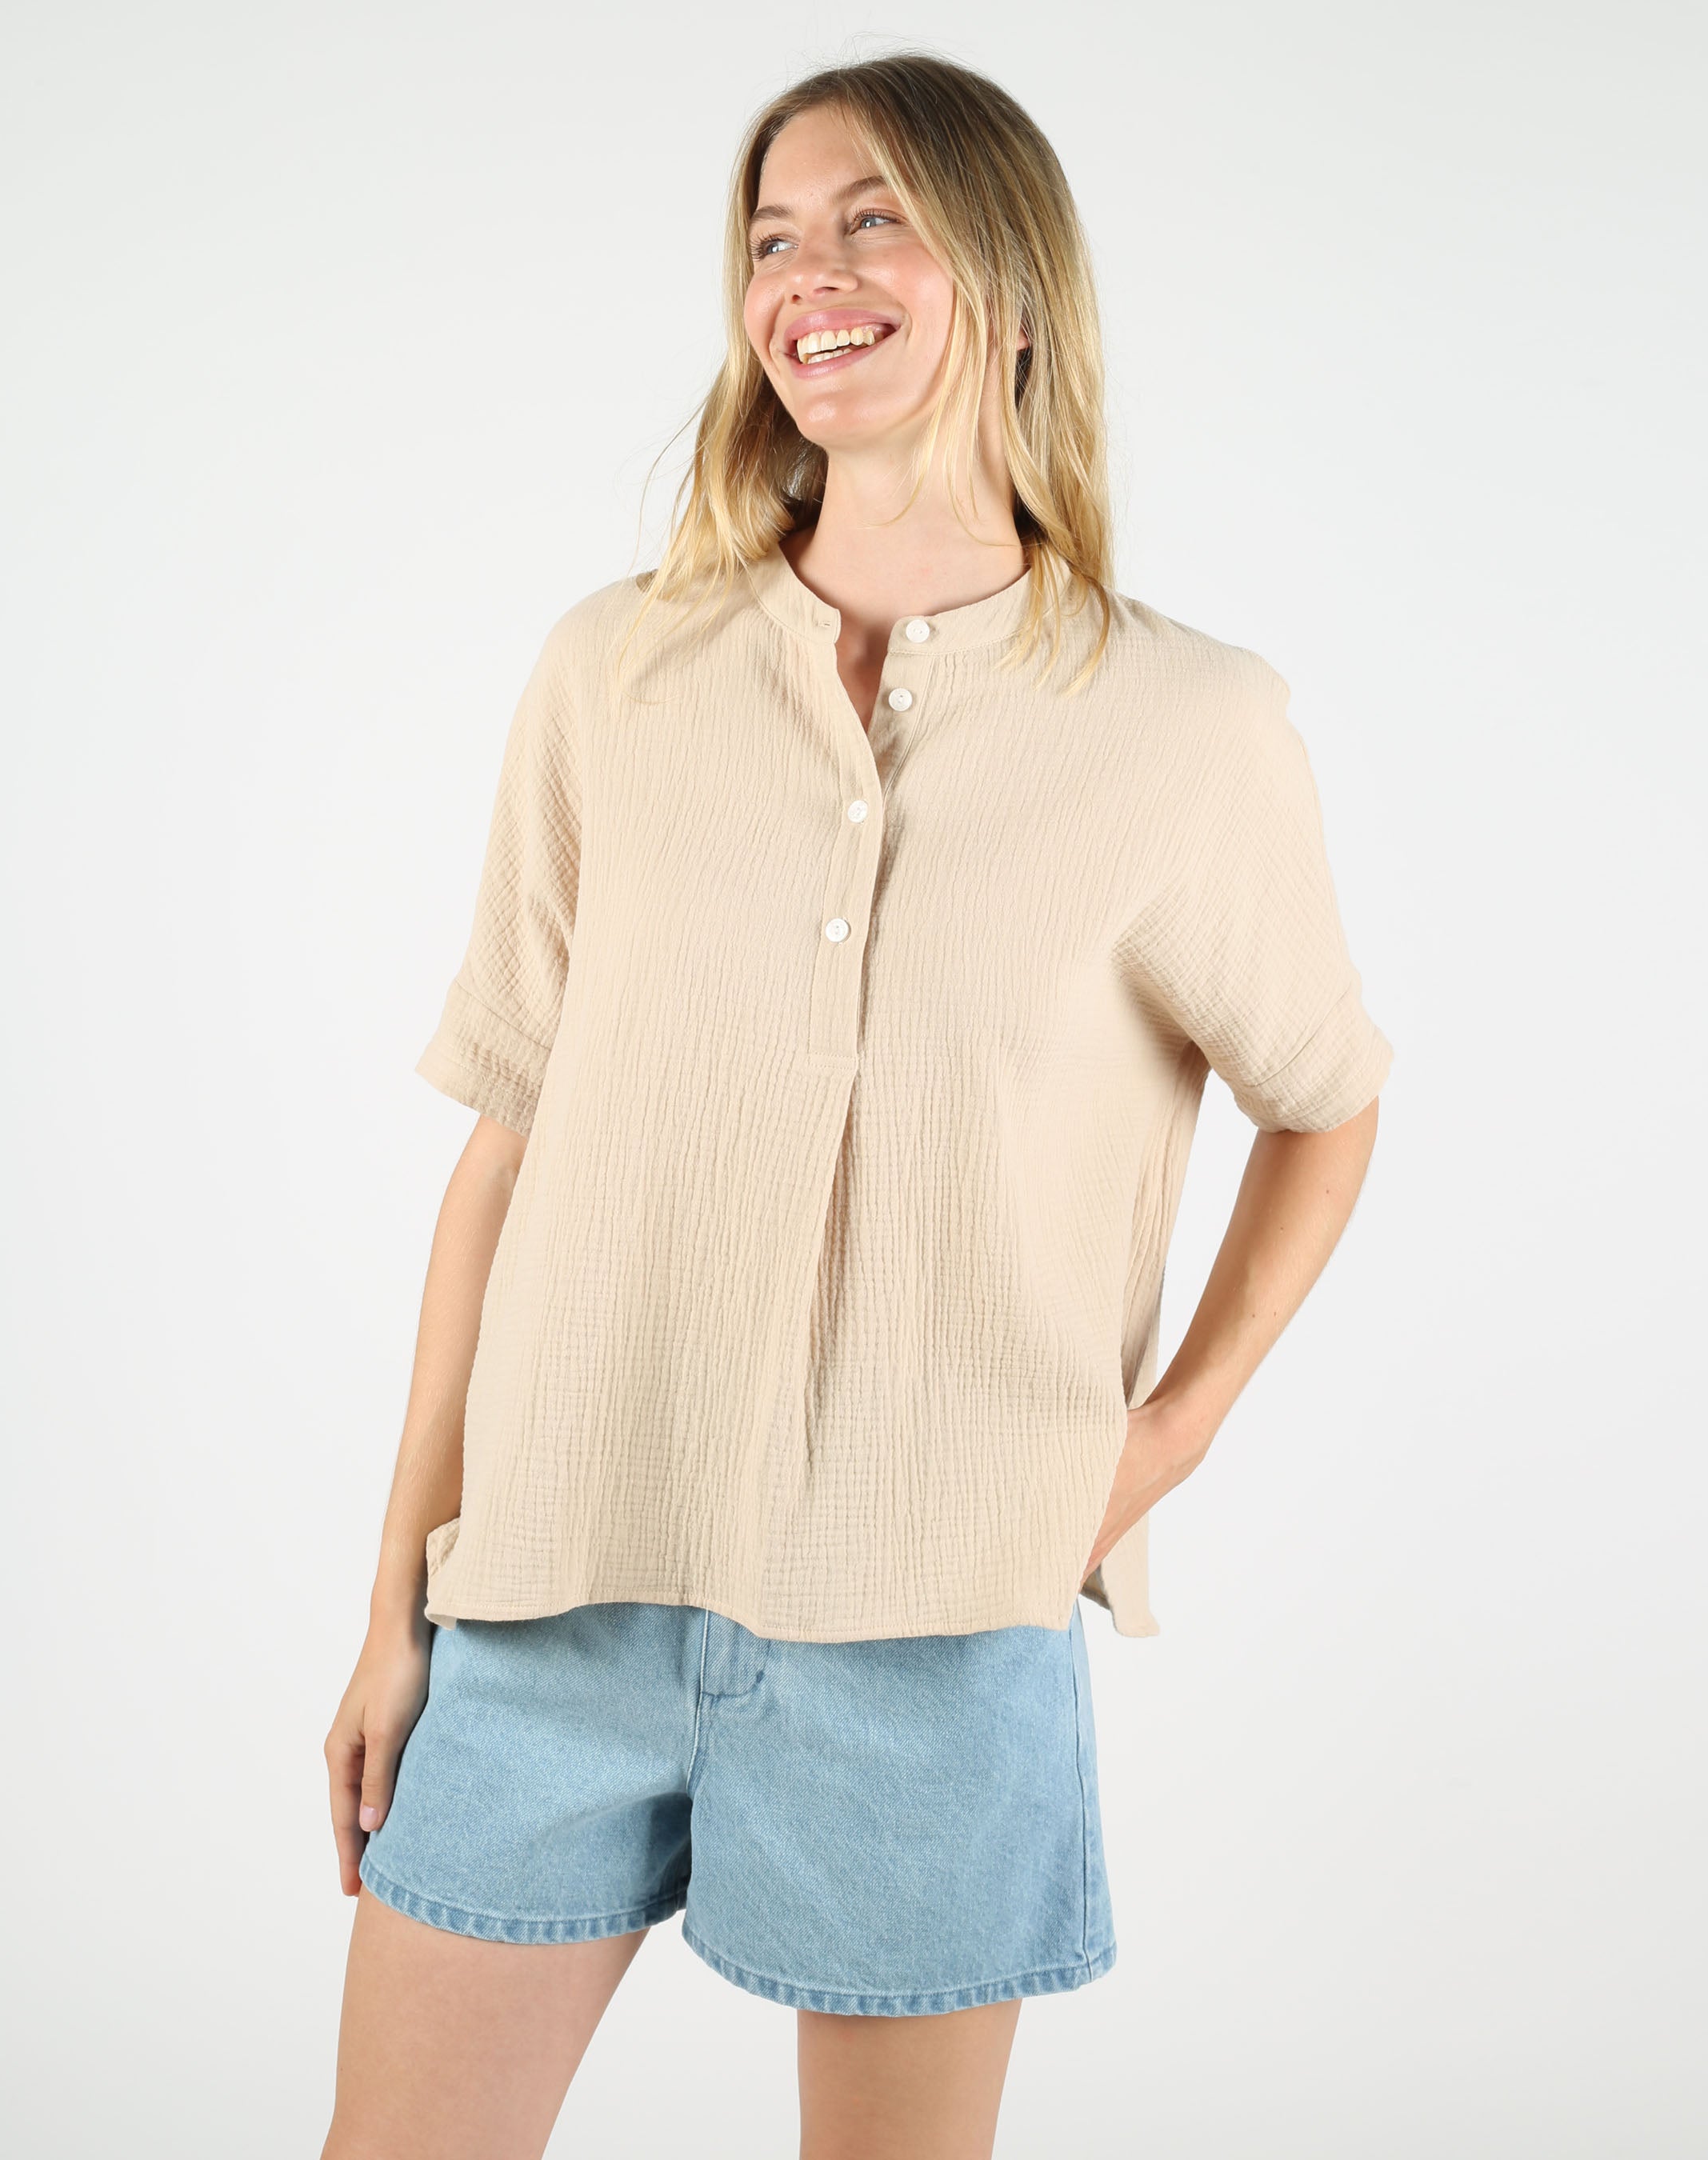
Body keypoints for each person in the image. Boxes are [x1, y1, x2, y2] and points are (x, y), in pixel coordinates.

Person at [321, 50, 1393, 2160]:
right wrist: (393, 1607)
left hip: (938, 1619)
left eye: (871, 218)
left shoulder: (1187, 726)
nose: (807, 274)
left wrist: (1159, 1443)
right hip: (555, 1589)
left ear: (1013, 278)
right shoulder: (614, 673)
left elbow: (1327, 1105)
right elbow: (503, 1153)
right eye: (771, 238)